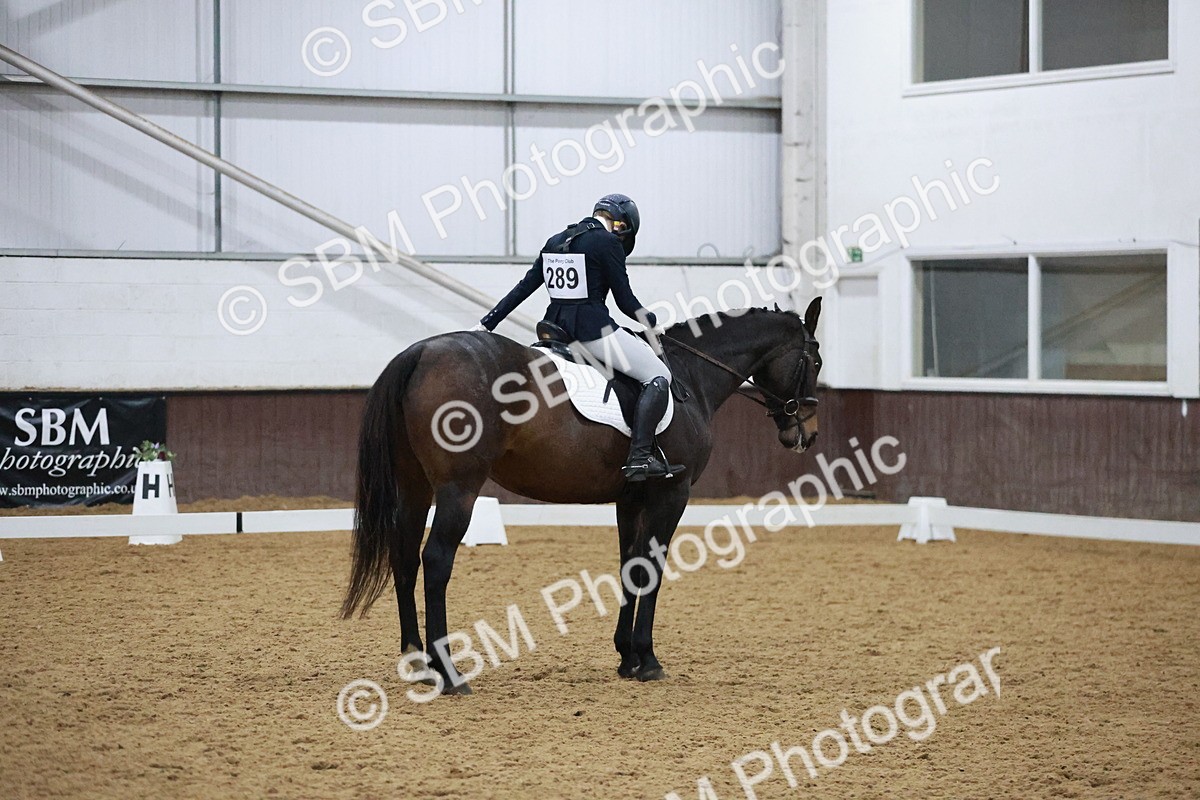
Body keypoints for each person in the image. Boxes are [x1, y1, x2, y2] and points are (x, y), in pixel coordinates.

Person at [476, 193, 684, 481]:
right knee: (658, 377)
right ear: (621, 226)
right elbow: (625, 301)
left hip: (554, 329)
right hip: (592, 333)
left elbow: (524, 288)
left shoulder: (555, 241)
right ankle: (640, 458)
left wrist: (488, 324)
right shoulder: (607, 243)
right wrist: (649, 320)